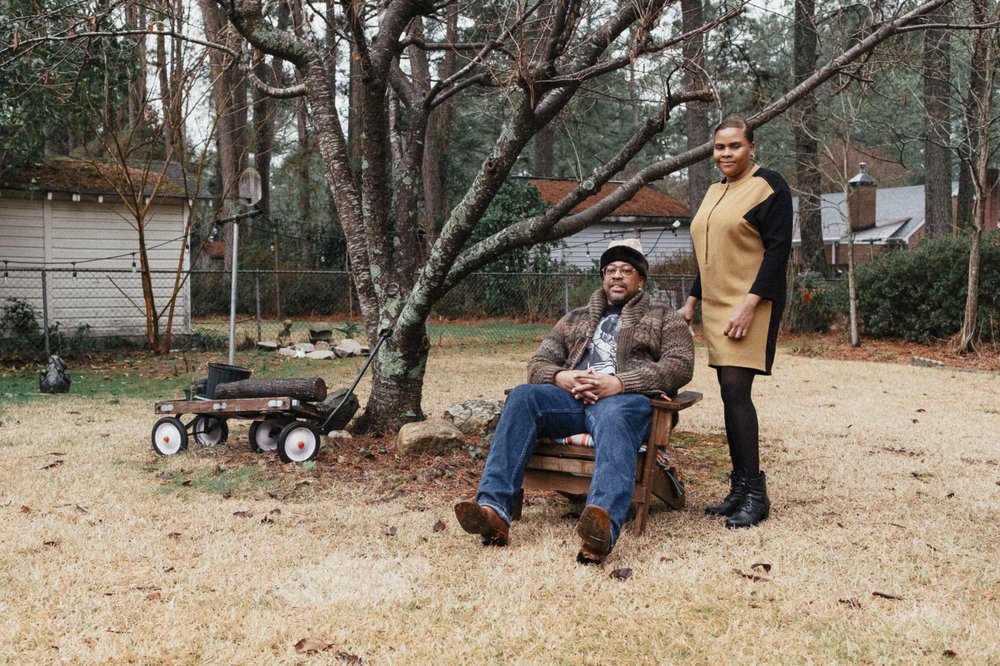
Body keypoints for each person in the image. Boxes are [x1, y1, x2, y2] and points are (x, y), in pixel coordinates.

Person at [455, 239, 694, 564]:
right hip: (570, 399)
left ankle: (600, 530)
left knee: (614, 417)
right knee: (524, 397)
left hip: (624, 401)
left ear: (640, 279)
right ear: (602, 277)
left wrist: (621, 382)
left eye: (626, 270)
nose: (617, 276)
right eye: (610, 270)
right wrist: (560, 377)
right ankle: (494, 512)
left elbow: (680, 365)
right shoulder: (575, 317)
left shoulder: (665, 317)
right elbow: (538, 362)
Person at [678, 118, 793, 529]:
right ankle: (740, 487)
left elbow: (778, 252)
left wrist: (749, 305)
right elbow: (708, 253)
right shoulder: (713, 191)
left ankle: (756, 494)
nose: (726, 154)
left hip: (752, 301)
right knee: (729, 393)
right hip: (715, 302)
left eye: (734, 146)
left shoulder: (770, 186)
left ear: (752, 148)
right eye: (719, 147)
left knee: (735, 388)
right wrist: (691, 301)